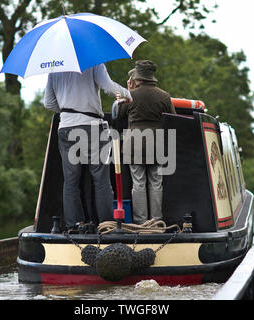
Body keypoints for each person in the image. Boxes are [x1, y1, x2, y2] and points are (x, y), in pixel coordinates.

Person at [44, 63, 132, 231]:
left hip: (65, 128)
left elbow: (49, 103)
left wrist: (68, 112)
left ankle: (73, 226)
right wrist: (128, 95)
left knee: (70, 181)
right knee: (101, 180)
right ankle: (107, 226)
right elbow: (109, 87)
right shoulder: (94, 62)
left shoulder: (54, 68)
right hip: (91, 127)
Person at [113, 60, 176, 224]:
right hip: (157, 143)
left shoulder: (130, 95)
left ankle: (141, 222)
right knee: (156, 182)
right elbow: (173, 119)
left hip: (134, 144)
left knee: (138, 183)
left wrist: (127, 91)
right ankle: (157, 221)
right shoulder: (164, 96)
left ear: (137, 78)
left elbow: (118, 114)